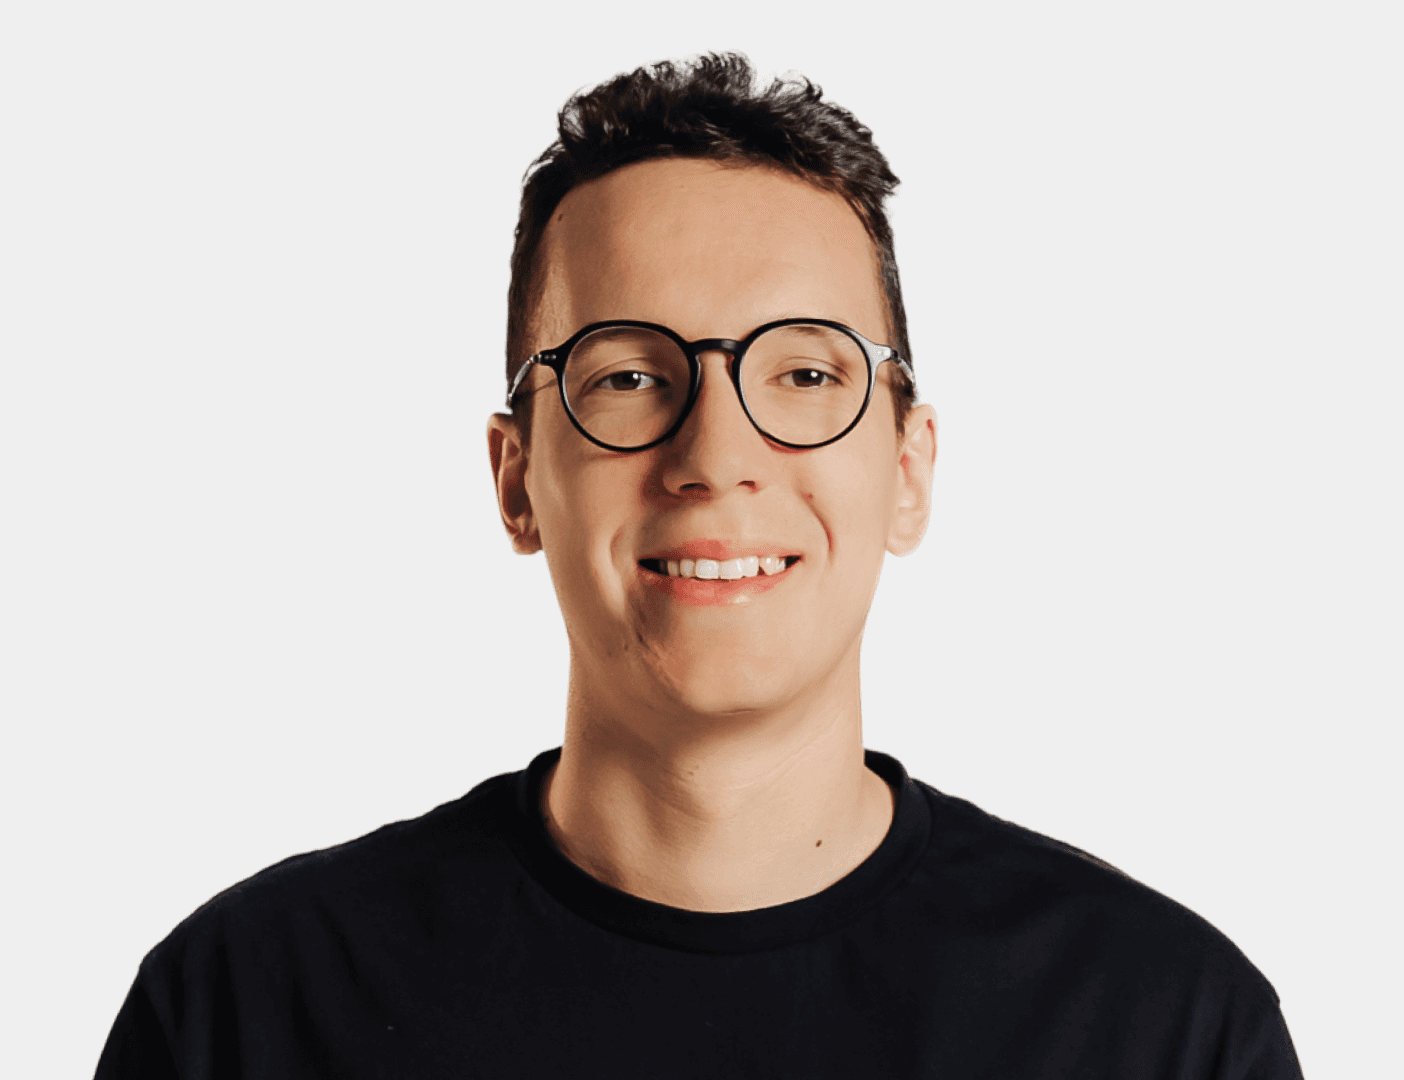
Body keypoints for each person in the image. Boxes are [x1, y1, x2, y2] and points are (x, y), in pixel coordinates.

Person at [96, 53, 1304, 1078]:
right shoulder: (246, 1010)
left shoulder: (1164, 1027)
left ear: (909, 469)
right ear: (517, 480)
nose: (717, 457)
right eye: (629, 376)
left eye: (806, 373)